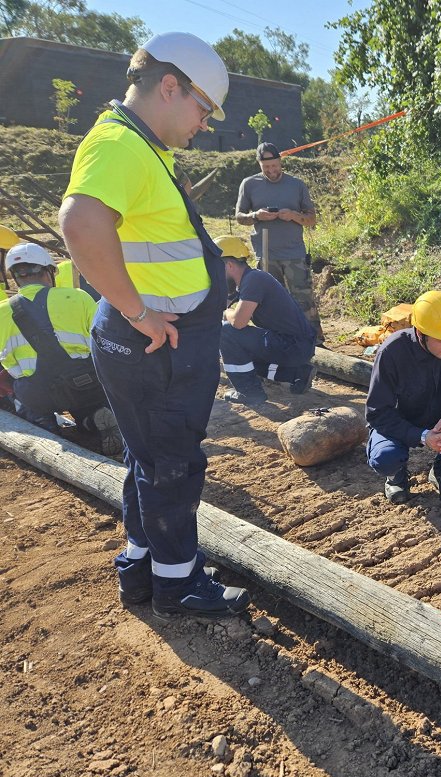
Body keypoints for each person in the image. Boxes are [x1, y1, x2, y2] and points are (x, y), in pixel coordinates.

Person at [58, 32, 250, 619]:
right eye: (202, 109)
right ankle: (177, 584)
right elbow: (81, 222)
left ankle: (142, 567)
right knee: (172, 464)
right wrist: (138, 311)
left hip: (158, 341)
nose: (204, 125)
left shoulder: (142, 147)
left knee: (151, 458)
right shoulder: (120, 145)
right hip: (154, 344)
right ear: (170, 87)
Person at [365, 290, 441, 505]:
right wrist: (421, 435)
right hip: (403, 422)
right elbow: (377, 413)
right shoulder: (392, 352)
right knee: (384, 457)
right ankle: (396, 476)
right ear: (421, 334)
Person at [0, 242, 121, 454]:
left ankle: (43, 424)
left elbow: (7, 363)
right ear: (48, 271)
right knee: (85, 403)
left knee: (23, 394)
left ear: (15, 276)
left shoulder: (2, 312)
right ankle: (92, 419)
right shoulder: (78, 297)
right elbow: (104, 340)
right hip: (87, 384)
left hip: (38, 393)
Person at [234, 142, 323, 344]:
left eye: (275, 166)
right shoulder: (249, 184)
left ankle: (314, 341)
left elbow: (311, 219)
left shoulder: (296, 185)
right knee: (269, 301)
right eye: (266, 167)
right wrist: (257, 215)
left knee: (304, 299)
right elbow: (239, 217)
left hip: (294, 253)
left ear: (280, 162)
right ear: (259, 165)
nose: (271, 171)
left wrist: (293, 215)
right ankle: (276, 340)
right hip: (265, 253)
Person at [216, 235, 316, 405]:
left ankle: (249, 392)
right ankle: (297, 374)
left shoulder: (254, 280)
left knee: (226, 333)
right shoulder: (246, 281)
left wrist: (226, 312)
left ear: (229, 265)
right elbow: (217, 307)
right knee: (238, 350)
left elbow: (238, 322)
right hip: (296, 345)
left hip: (293, 345)